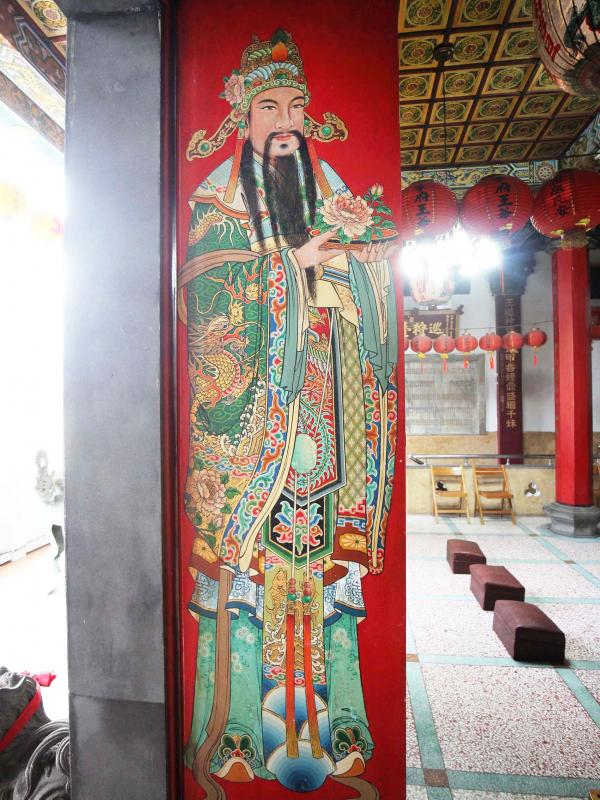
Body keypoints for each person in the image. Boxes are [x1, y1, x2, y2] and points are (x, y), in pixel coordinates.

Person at [179, 28, 398, 798]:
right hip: (253, 429)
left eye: (295, 107)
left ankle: (342, 725)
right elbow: (206, 295)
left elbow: (371, 285)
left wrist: (357, 268)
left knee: (327, 571)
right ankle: (239, 727)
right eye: (268, 106)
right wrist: (287, 268)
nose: (283, 122)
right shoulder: (218, 200)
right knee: (246, 576)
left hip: (330, 415)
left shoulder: (328, 188)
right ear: (242, 115)